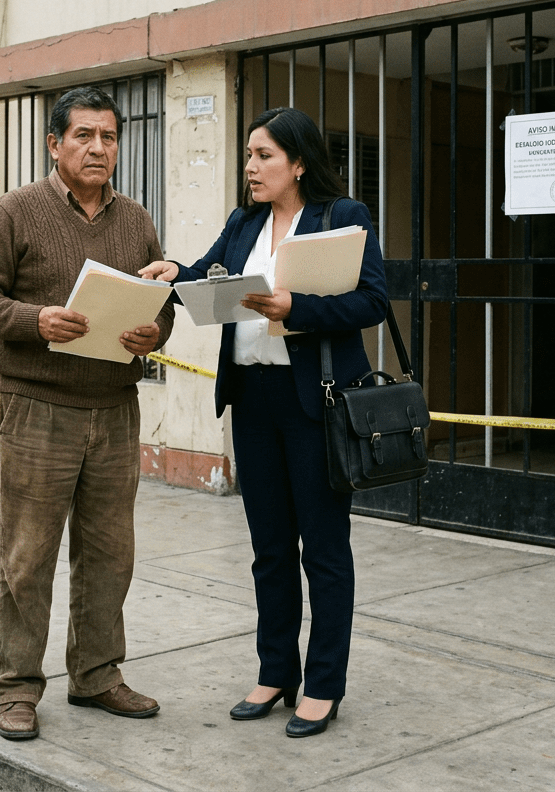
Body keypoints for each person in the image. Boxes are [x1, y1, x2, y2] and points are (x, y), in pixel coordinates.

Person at [140, 107, 388, 739]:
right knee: (270, 548)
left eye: (264, 156)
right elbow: (208, 279)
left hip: (316, 404)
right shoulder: (243, 221)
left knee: (324, 551)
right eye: (249, 155)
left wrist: (294, 307)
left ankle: (323, 684)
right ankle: (276, 671)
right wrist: (175, 273)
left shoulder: (343, 217)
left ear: (298, 163)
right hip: (252, 399)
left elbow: (374, 301)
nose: (250, 168)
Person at [0, 86, 174, 742]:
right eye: (84, 136)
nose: (98, 148)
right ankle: (17, 686)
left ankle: (98, 673)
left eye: (108, 137)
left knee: (110, 553)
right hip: (35, 409)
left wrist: (153, 334)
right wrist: (36, 320)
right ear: (55, 144)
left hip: (113, 410)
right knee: (28, 554)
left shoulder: (136, 220)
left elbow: (158, 307)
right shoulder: (15, 212)